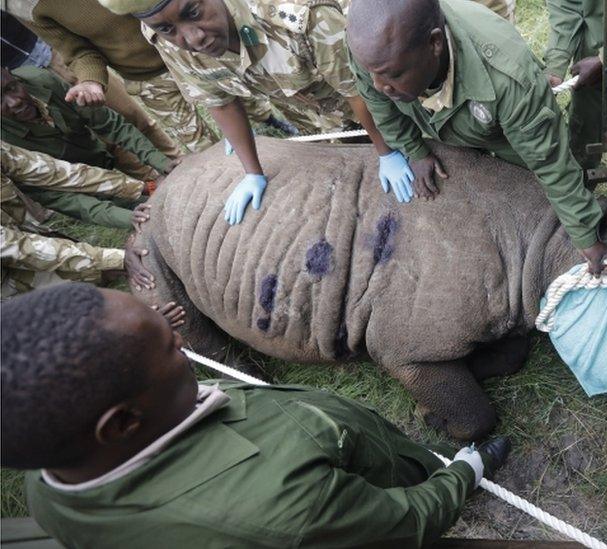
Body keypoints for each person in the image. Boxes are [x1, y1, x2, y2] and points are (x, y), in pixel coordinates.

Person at [1, 283, 511, 547]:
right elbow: (406, 522)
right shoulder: (283, 513)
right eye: (171, 349)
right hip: (393, 492)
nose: (182, 340)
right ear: (121, 423)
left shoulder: (53, 481)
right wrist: (465, 472)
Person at [345, 0, 607, 274]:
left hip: (501, 132)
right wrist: (414, 150)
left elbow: (550, 164)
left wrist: (586, 236)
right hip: (442, 121)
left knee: (537, 201)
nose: (379, 84)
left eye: (392, 74)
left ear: (435, 43)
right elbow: (377, 102)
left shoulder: (510, 82)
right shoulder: (374, 50)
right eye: (372, 73)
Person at [98, 0, 416, 226]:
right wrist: (252, 172)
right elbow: (220, 101)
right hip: (311, 105)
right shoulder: (169, 40)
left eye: (193, 12)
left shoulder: (297, 14)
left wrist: (386, 151)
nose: (193, 38)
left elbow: (359, 90)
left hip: (388, 89)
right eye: (168, 28)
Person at [7, 0, 293, 153]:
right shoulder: (25, 5)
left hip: (198, 47)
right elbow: (77, 50)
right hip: (146, 74)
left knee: (241, 99)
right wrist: (91, 79)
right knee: (202, 145)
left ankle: (272, 122)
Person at [0, 142, 150, 296]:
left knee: (99, 272)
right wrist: (117, 258)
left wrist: (139, 188)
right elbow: (20, 248)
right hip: (6, 281)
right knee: (79, 304)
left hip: (23, 232)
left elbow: (57, 172)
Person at [0, 66, 177, 182]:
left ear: (11, 74)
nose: (14, 102)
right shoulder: (5, 142)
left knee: (160, 174)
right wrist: (131, 205)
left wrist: (161, 162)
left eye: (11, 88)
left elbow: (109, 125)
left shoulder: (42, 80)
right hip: (72, 173)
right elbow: (60, 193)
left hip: (85, 142)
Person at [544, 0, 604, 169]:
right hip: (593, 46)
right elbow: (567, 4)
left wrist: (605, 59)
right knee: (586, 124)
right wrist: (556, 64)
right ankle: (582, 180)